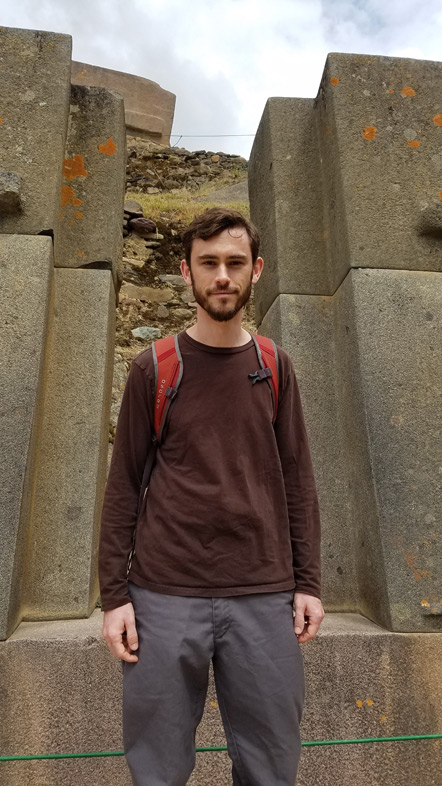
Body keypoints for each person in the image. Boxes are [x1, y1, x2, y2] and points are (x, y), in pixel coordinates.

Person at [98, 207, 324, 786]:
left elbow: (297, 478)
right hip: (164, 593)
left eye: (234, 262)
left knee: (271, 764)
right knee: (158, 768)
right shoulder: (155, 368)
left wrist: (308, 583)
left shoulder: (275, 366)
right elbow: (124, 483)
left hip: (263, 593)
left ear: (257, 270)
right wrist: (114, 596)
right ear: (186, 271)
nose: (222, 275)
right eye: (209, 263)